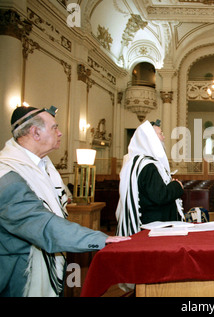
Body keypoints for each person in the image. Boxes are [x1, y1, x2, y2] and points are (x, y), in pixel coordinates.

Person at [0, 105, 129, 297]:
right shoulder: (7, 175)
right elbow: (41, 224)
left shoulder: (44, 166)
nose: (60, 133)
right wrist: (101, 238)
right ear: (35, 132)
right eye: (54, 128)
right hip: (18, 276)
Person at [115, 119, 184, 237]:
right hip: (154, 227)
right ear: (150, 139)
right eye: (161, 133)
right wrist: (177, 186)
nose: (164, 137)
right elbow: (160, 195)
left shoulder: (138, 162)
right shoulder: (147, 166)